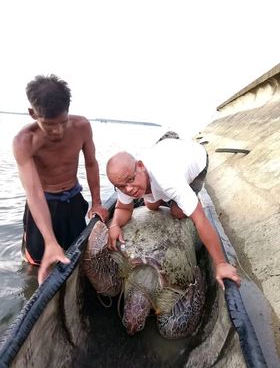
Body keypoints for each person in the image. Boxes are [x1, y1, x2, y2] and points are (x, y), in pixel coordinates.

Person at [106, 136, 241, 290]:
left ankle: (181, 198)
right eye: (121, 186)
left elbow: (201, 220)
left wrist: (221, 263)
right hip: (166, 150)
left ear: (141, 166)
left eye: (130, 180)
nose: (128, 189)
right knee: (150, 205)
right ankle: (165, 197)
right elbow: (123, 208)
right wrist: (114, 224)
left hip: (195, 159)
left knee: (177, 212)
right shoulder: (125, 180)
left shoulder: (168, 179)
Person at [13, 74, 108, 285]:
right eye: (49, 124)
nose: (57, 131)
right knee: (37, 262)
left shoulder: (82, 126)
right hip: (42, 203)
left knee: (77, 254)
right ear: (32, 114)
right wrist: (49, 241)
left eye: (62, 122)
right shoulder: (24, 142)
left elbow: (91, 163)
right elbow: (34, 193)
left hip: (72, 200)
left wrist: (96, 202)